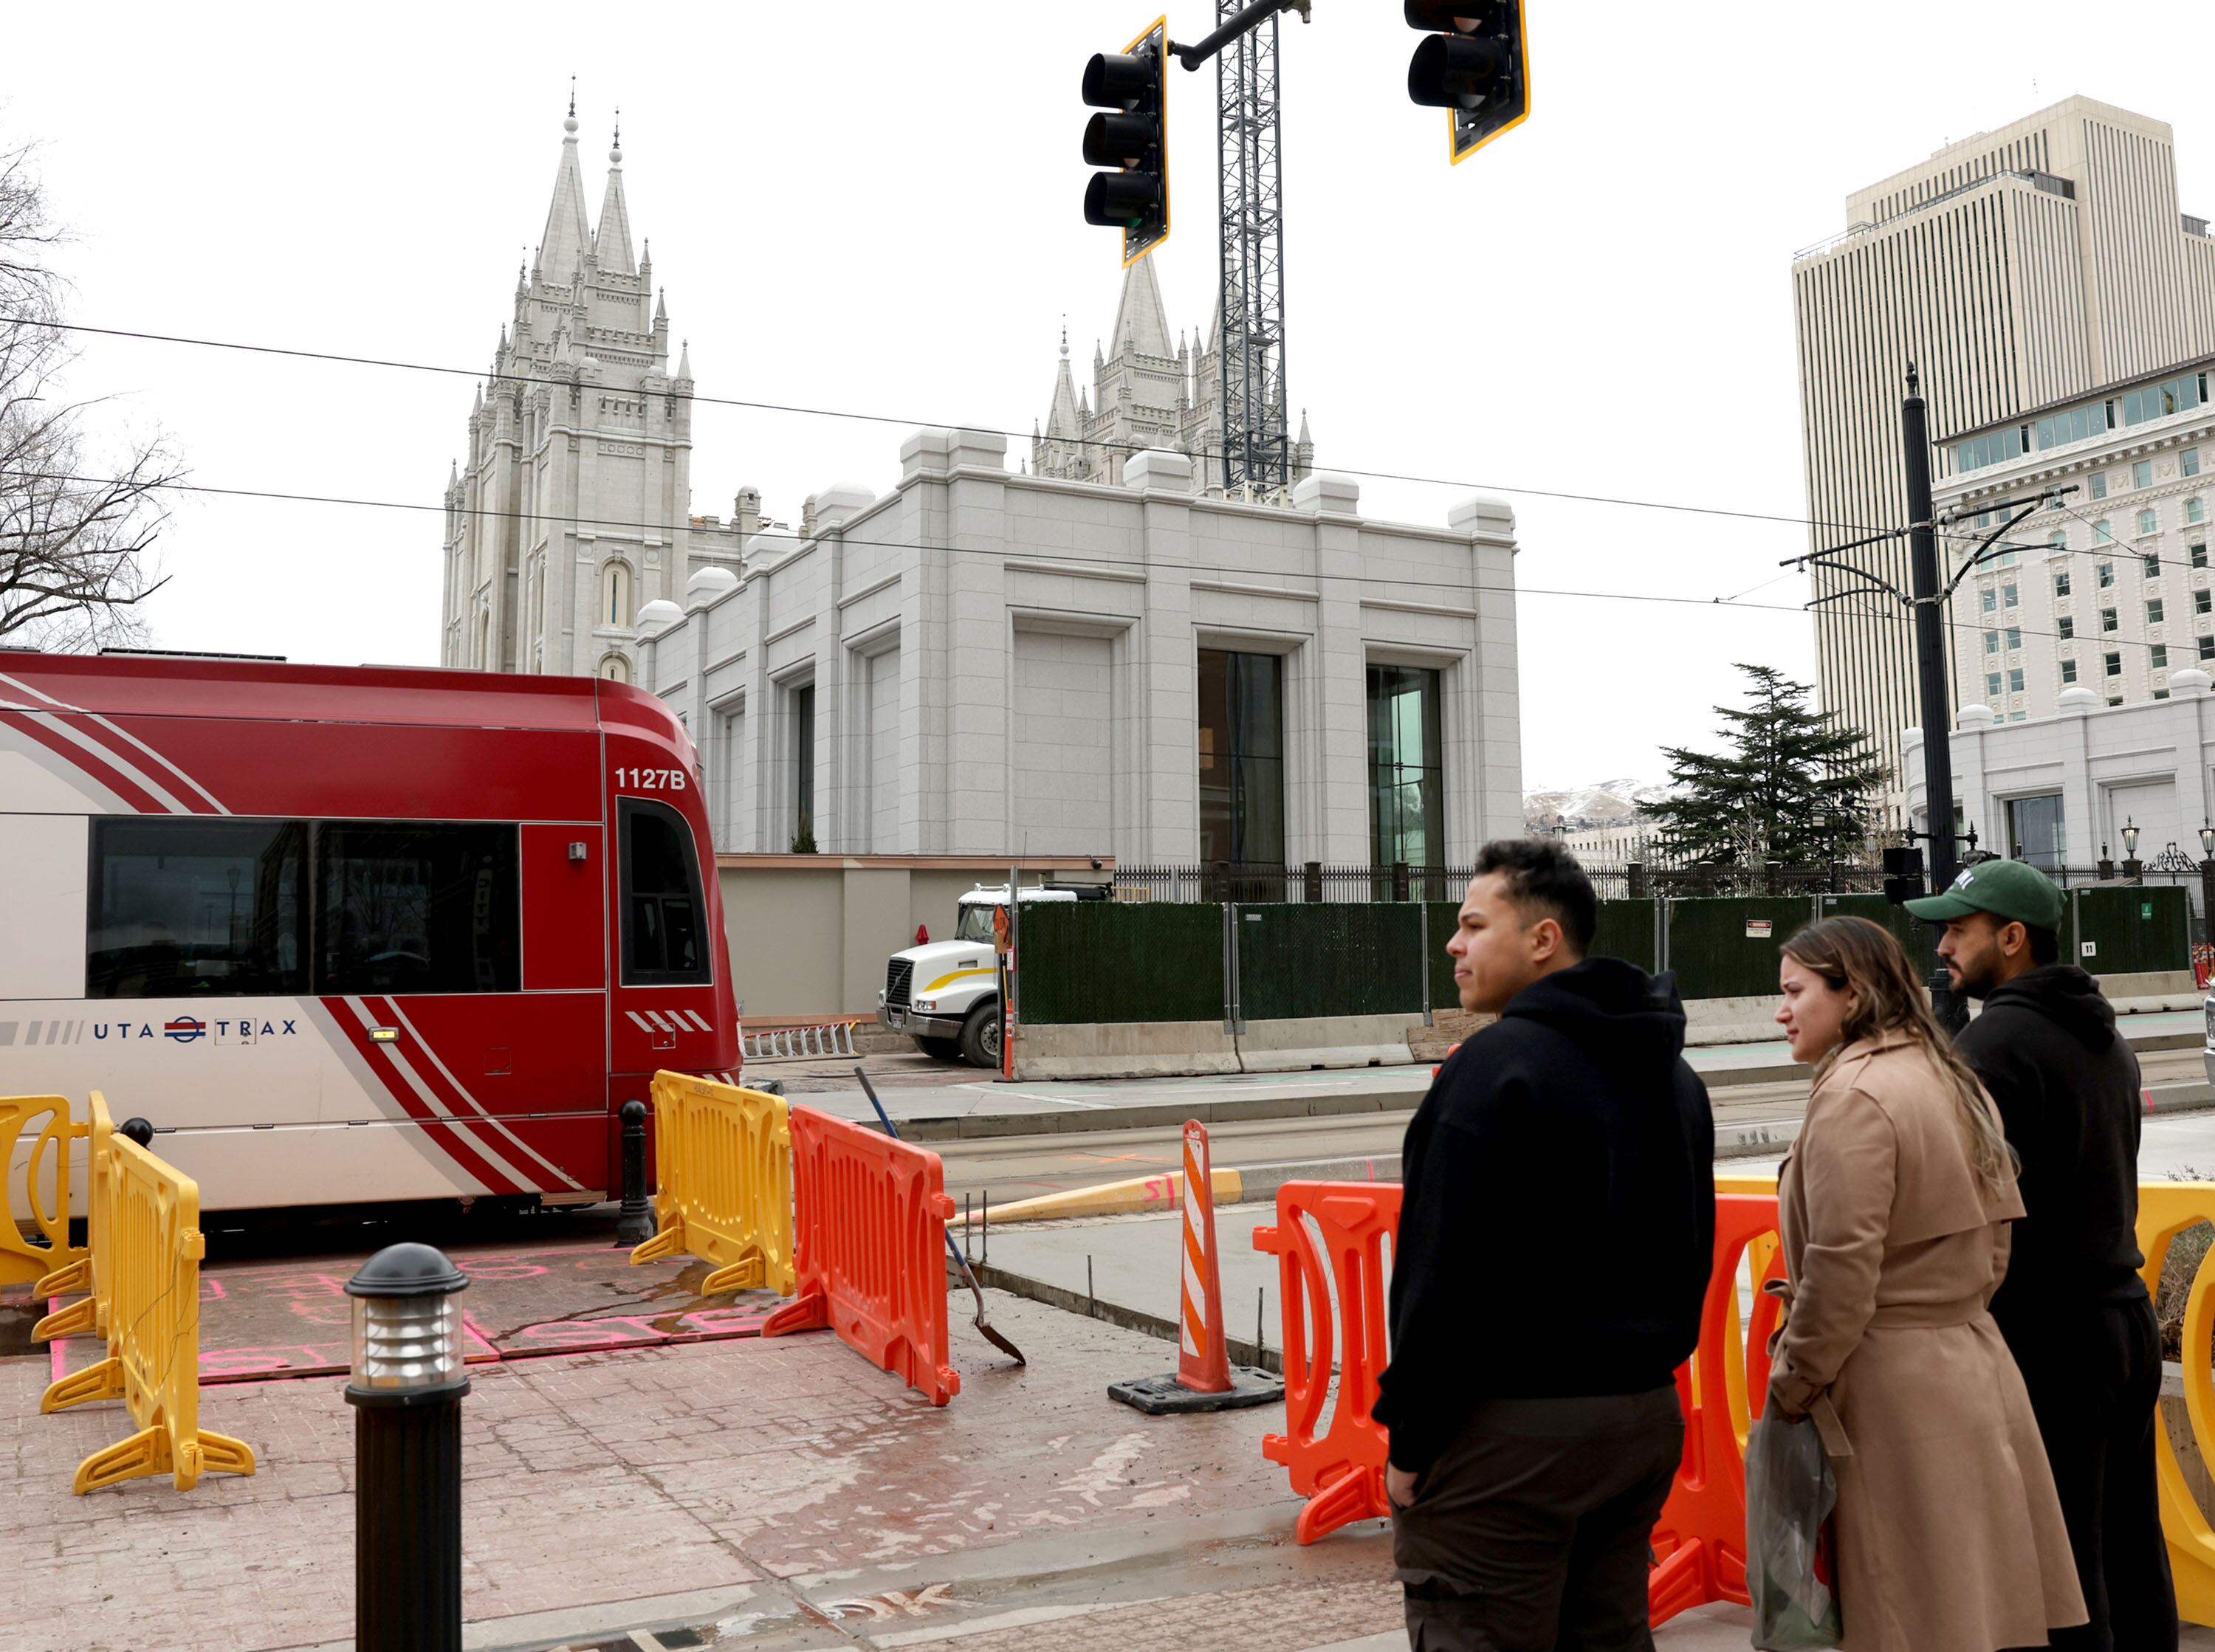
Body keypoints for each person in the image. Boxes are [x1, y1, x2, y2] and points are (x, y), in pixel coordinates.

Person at [1376, 839, 1714, 1651]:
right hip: (1640, 1423)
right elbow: (1690, 1251)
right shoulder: (1672, 1075)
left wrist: (1410, 1436)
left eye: (1471, 924)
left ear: (1542, 940)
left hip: (1507, 1443)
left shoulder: (1493, 1068)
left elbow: (1441, 1271)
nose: (1453, 945)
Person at [1769, 915, 2084, 1651]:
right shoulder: (1948, 1076)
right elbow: (1999, 1236)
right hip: (1972, 1365)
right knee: (1970, 1609)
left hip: (1887, 1391)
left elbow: (1840, 1270)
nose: (1781, 1010)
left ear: (1850, 996)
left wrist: (1794, 1382)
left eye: (1794, 991)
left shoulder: (1854, 1096)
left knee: (1902, 1612)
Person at [1909, 861, 2178, 1651]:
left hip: (2050, 1333)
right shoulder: (2101, 1032)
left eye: (1959, 930)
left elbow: (1962, 1203)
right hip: (2122, 1319)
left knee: (2059, 1565)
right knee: (2131, 1545)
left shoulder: (1997, 1043)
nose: (1944, 947)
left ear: (2013, 937)